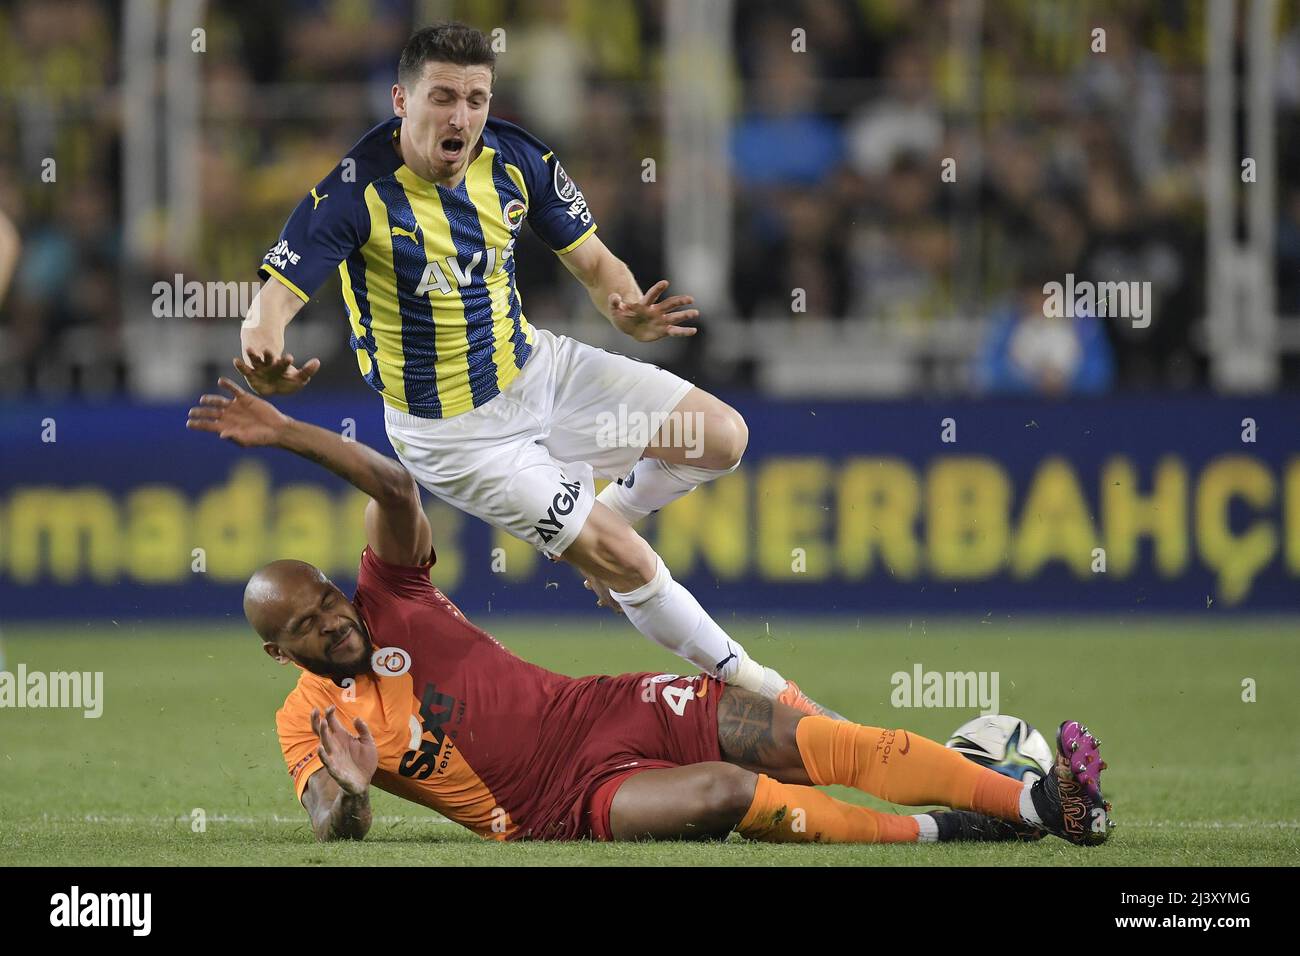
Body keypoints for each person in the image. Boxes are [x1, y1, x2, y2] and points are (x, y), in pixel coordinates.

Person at [186, 378, 1115, 846]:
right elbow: (324, 824)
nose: (332, 618)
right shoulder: (305, 720)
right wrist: (350, 793)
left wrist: (288, 434)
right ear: (281, 652)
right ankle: (950, 829)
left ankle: (1038, 802)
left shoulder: (391, 592)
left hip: (600, 709)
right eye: (306, 623)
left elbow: (395, 482)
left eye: (325, 598)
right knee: (726, 793)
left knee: (805, 738)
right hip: (560, 806)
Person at [234, 21, 835, 718]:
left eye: (475, 98)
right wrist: (263, 355)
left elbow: (595, 264)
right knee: (629, 562)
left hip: (540, 371)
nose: (460, 116)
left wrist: (625, 308)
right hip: (457, 434)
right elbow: (270, 304)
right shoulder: (353, 190)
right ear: (402, 100)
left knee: (722, 437)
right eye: (442, 97)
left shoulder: (517, 158)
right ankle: (766, 691)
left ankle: (609, 516)